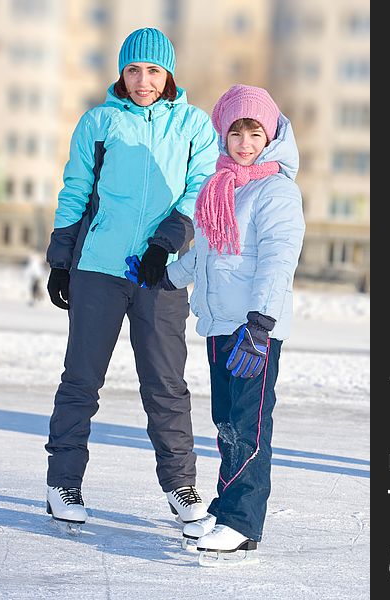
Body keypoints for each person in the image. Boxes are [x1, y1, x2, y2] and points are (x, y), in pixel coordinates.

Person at [45, 27, 218, 529]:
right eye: (134, 70)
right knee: (81, 379)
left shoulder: (193, 126)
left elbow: (200, 190)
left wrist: (165, 244)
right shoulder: (98, 121)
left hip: (161, 275)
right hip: (98, 268)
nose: (144, 81)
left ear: (169, 74)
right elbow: (75, 189)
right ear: (121, 72)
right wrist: (61, 260)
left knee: (166, 384)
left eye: (154, 71)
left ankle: (181, 488)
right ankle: (64, 483)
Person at [126, 84, 305, 558]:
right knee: (226, 423)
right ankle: (227, 510)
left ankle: (242, 522)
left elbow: (277, 259)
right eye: (236, 132)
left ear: (270, 137)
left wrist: (261, 324)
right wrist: (165, 277)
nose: (245, 143)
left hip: (253, 329)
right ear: (222, 135)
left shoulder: (277, 191)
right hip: (220, 326)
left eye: (255, 132)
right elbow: (205, 255)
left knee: (249, 425)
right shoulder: (219, 187)